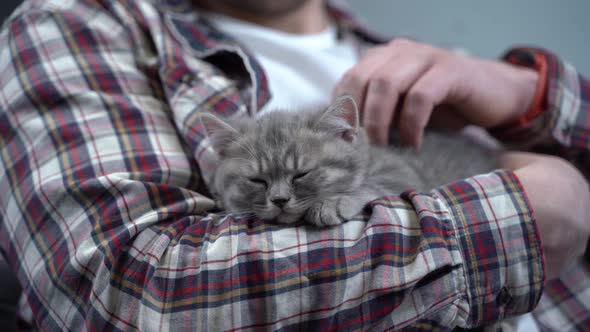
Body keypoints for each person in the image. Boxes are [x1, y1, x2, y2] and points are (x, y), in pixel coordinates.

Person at [0, 0, 588, 330]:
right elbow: (126, 296)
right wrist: (519, 220)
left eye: (298, 181)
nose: (280, 197)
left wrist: (530, 96)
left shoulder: (425, 67)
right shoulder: (79, 25)